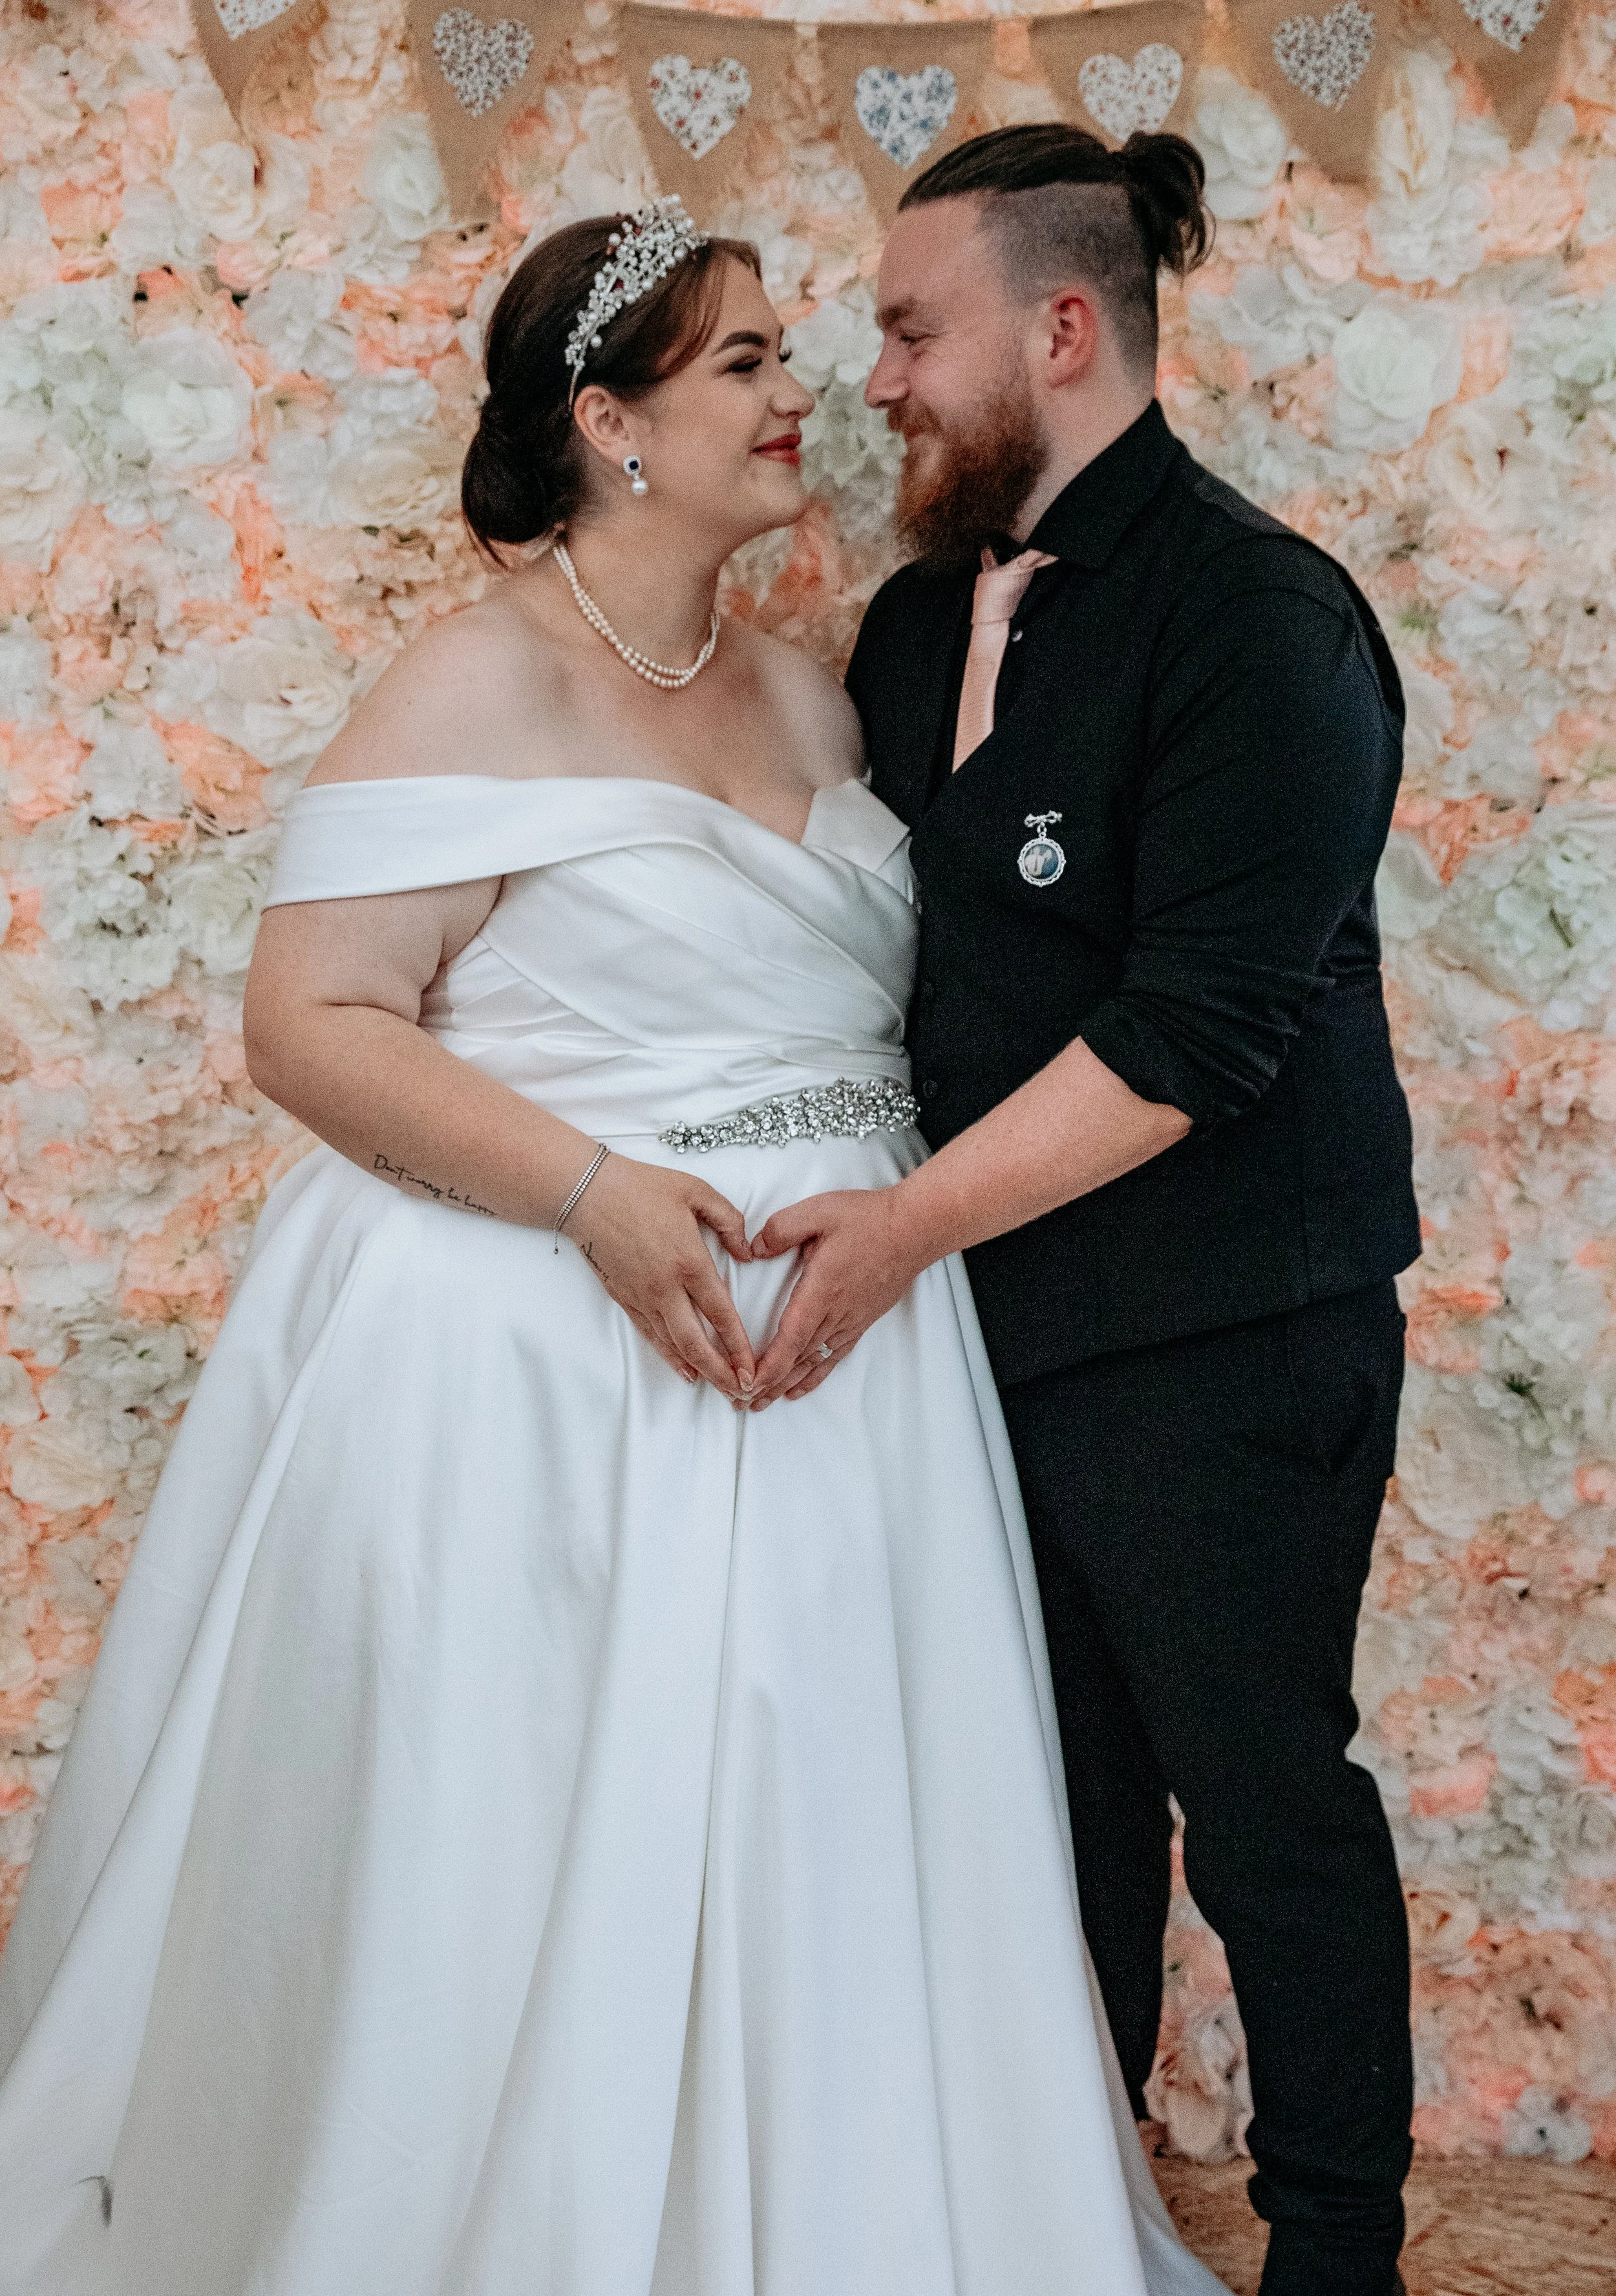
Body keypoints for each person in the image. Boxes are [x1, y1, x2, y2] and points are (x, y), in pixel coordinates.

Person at [0, 198, 1228, 2296]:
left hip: (854, 1351)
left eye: (792, 349)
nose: (803, 395)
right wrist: (589, 1195)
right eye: (743, 361)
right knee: (530, 1847)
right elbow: (307, 1024)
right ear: (607, 420)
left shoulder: (815, 697)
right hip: (547, 1351)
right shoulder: (475, 672)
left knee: (821, 1828)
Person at [747, 127, 1420, 2296]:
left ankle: (1334, 2259)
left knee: (1261, 1803)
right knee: (1050, 1819)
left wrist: (894, 1232)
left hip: (1226, 1330)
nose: (877, 379)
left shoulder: (1259, 618)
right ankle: (1079, 2232)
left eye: (908, 328)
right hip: (979, 1332)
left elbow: (1194, 1035)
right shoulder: (914, 613)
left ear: (1060, 329)